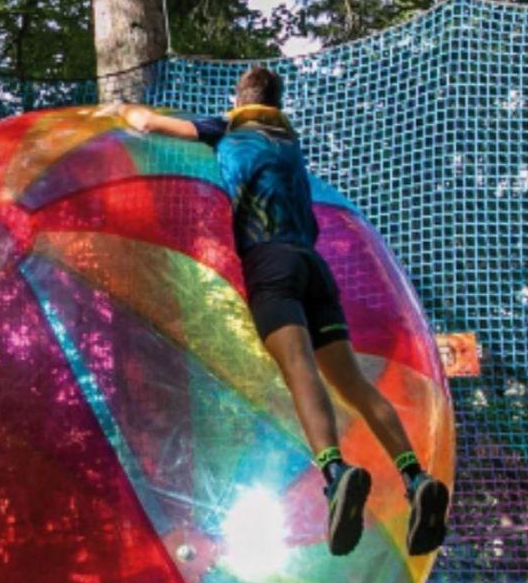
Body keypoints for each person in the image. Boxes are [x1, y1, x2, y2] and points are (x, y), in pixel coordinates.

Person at [100, 68, 449, 558]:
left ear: (239, 100)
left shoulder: (228, 128)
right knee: (350, 381)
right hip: (314, 267)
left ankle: (335, 471)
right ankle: (415, 477)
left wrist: (119, 110)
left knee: (299, 367)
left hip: (272, 262)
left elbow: (149, 123)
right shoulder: (290, 144)